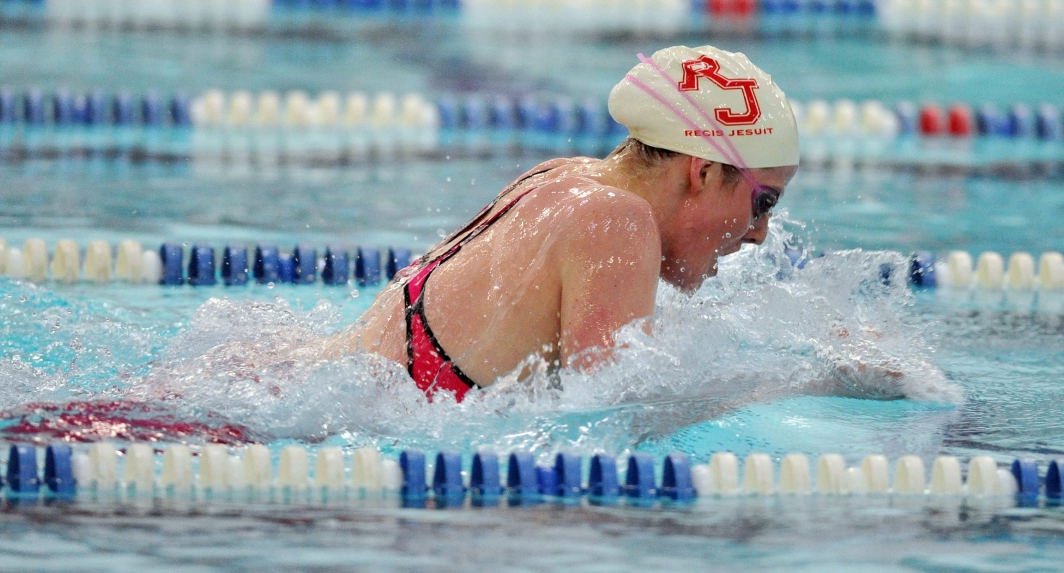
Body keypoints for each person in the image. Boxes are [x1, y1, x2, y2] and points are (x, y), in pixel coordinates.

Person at [322, 45, 799, 402]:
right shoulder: (619, 221)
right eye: (763, 204)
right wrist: (792, 381)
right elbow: (612, 413)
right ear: (705, 171)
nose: (759, 234)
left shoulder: (561, 176)